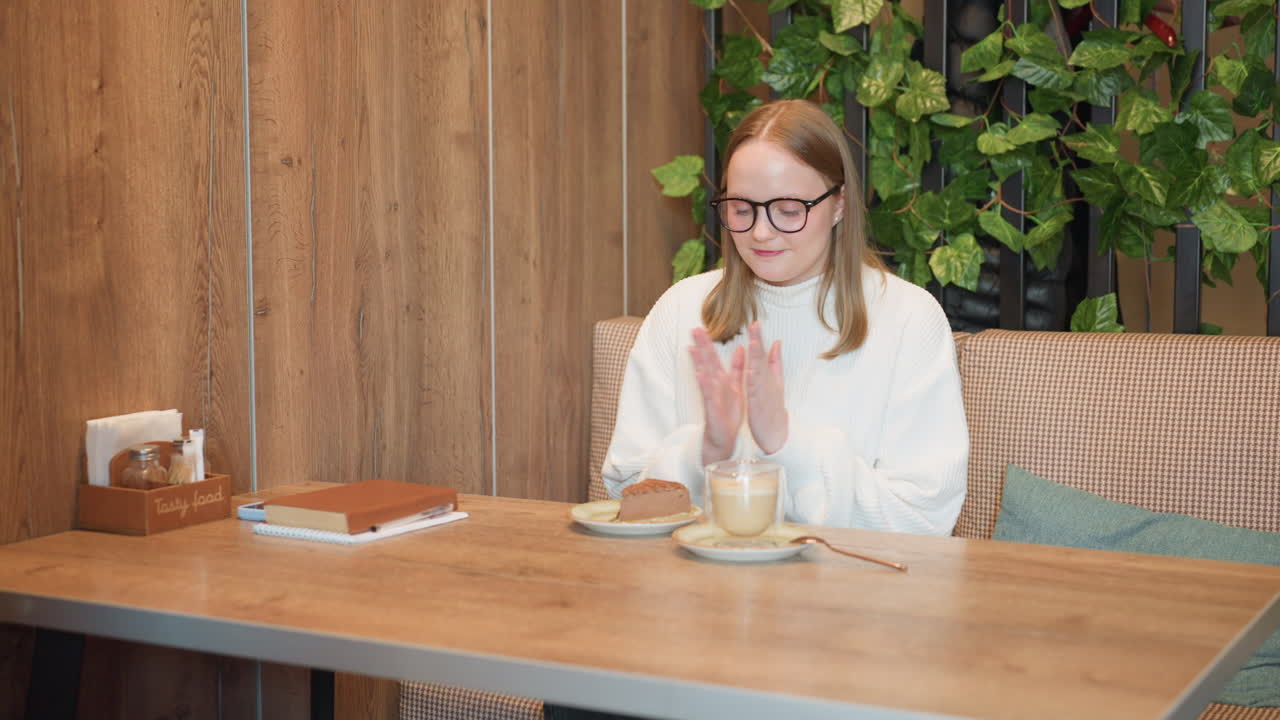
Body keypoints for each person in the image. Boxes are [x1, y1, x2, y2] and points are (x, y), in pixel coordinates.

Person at [602, 99, 968, 535]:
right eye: (741, 208)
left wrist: (786, 443)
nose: (761, 232)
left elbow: (923, 521)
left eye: (789, 210)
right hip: (699, 593)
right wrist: (706, 451)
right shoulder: (681, 309)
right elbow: (623, 496)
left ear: (839, 205)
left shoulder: (908, 317)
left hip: (849, 596)